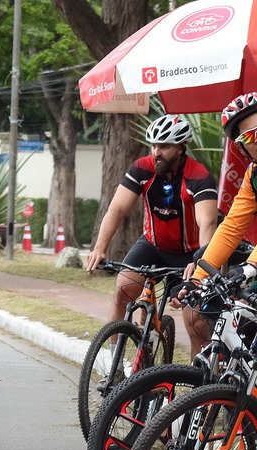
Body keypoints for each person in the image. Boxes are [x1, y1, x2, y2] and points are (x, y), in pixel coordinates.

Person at [84, 114, 219, 356]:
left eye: (164, 146)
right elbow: (116, 209)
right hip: (153, 245)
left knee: (195, 319)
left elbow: (207, 223)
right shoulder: (142, 168)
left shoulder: (198, 176)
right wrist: (100, 248)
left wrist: (199, 265)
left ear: (180, 148)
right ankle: (114, 362)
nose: (156, 152)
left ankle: (200, 385)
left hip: (190, 253)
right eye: (154, 145)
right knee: (123, 289)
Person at [178, 93, 257, 295]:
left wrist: (252, 265)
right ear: (241, 148)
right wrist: (197, 279)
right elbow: (232, 227)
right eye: (250, 136)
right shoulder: (253, 175)